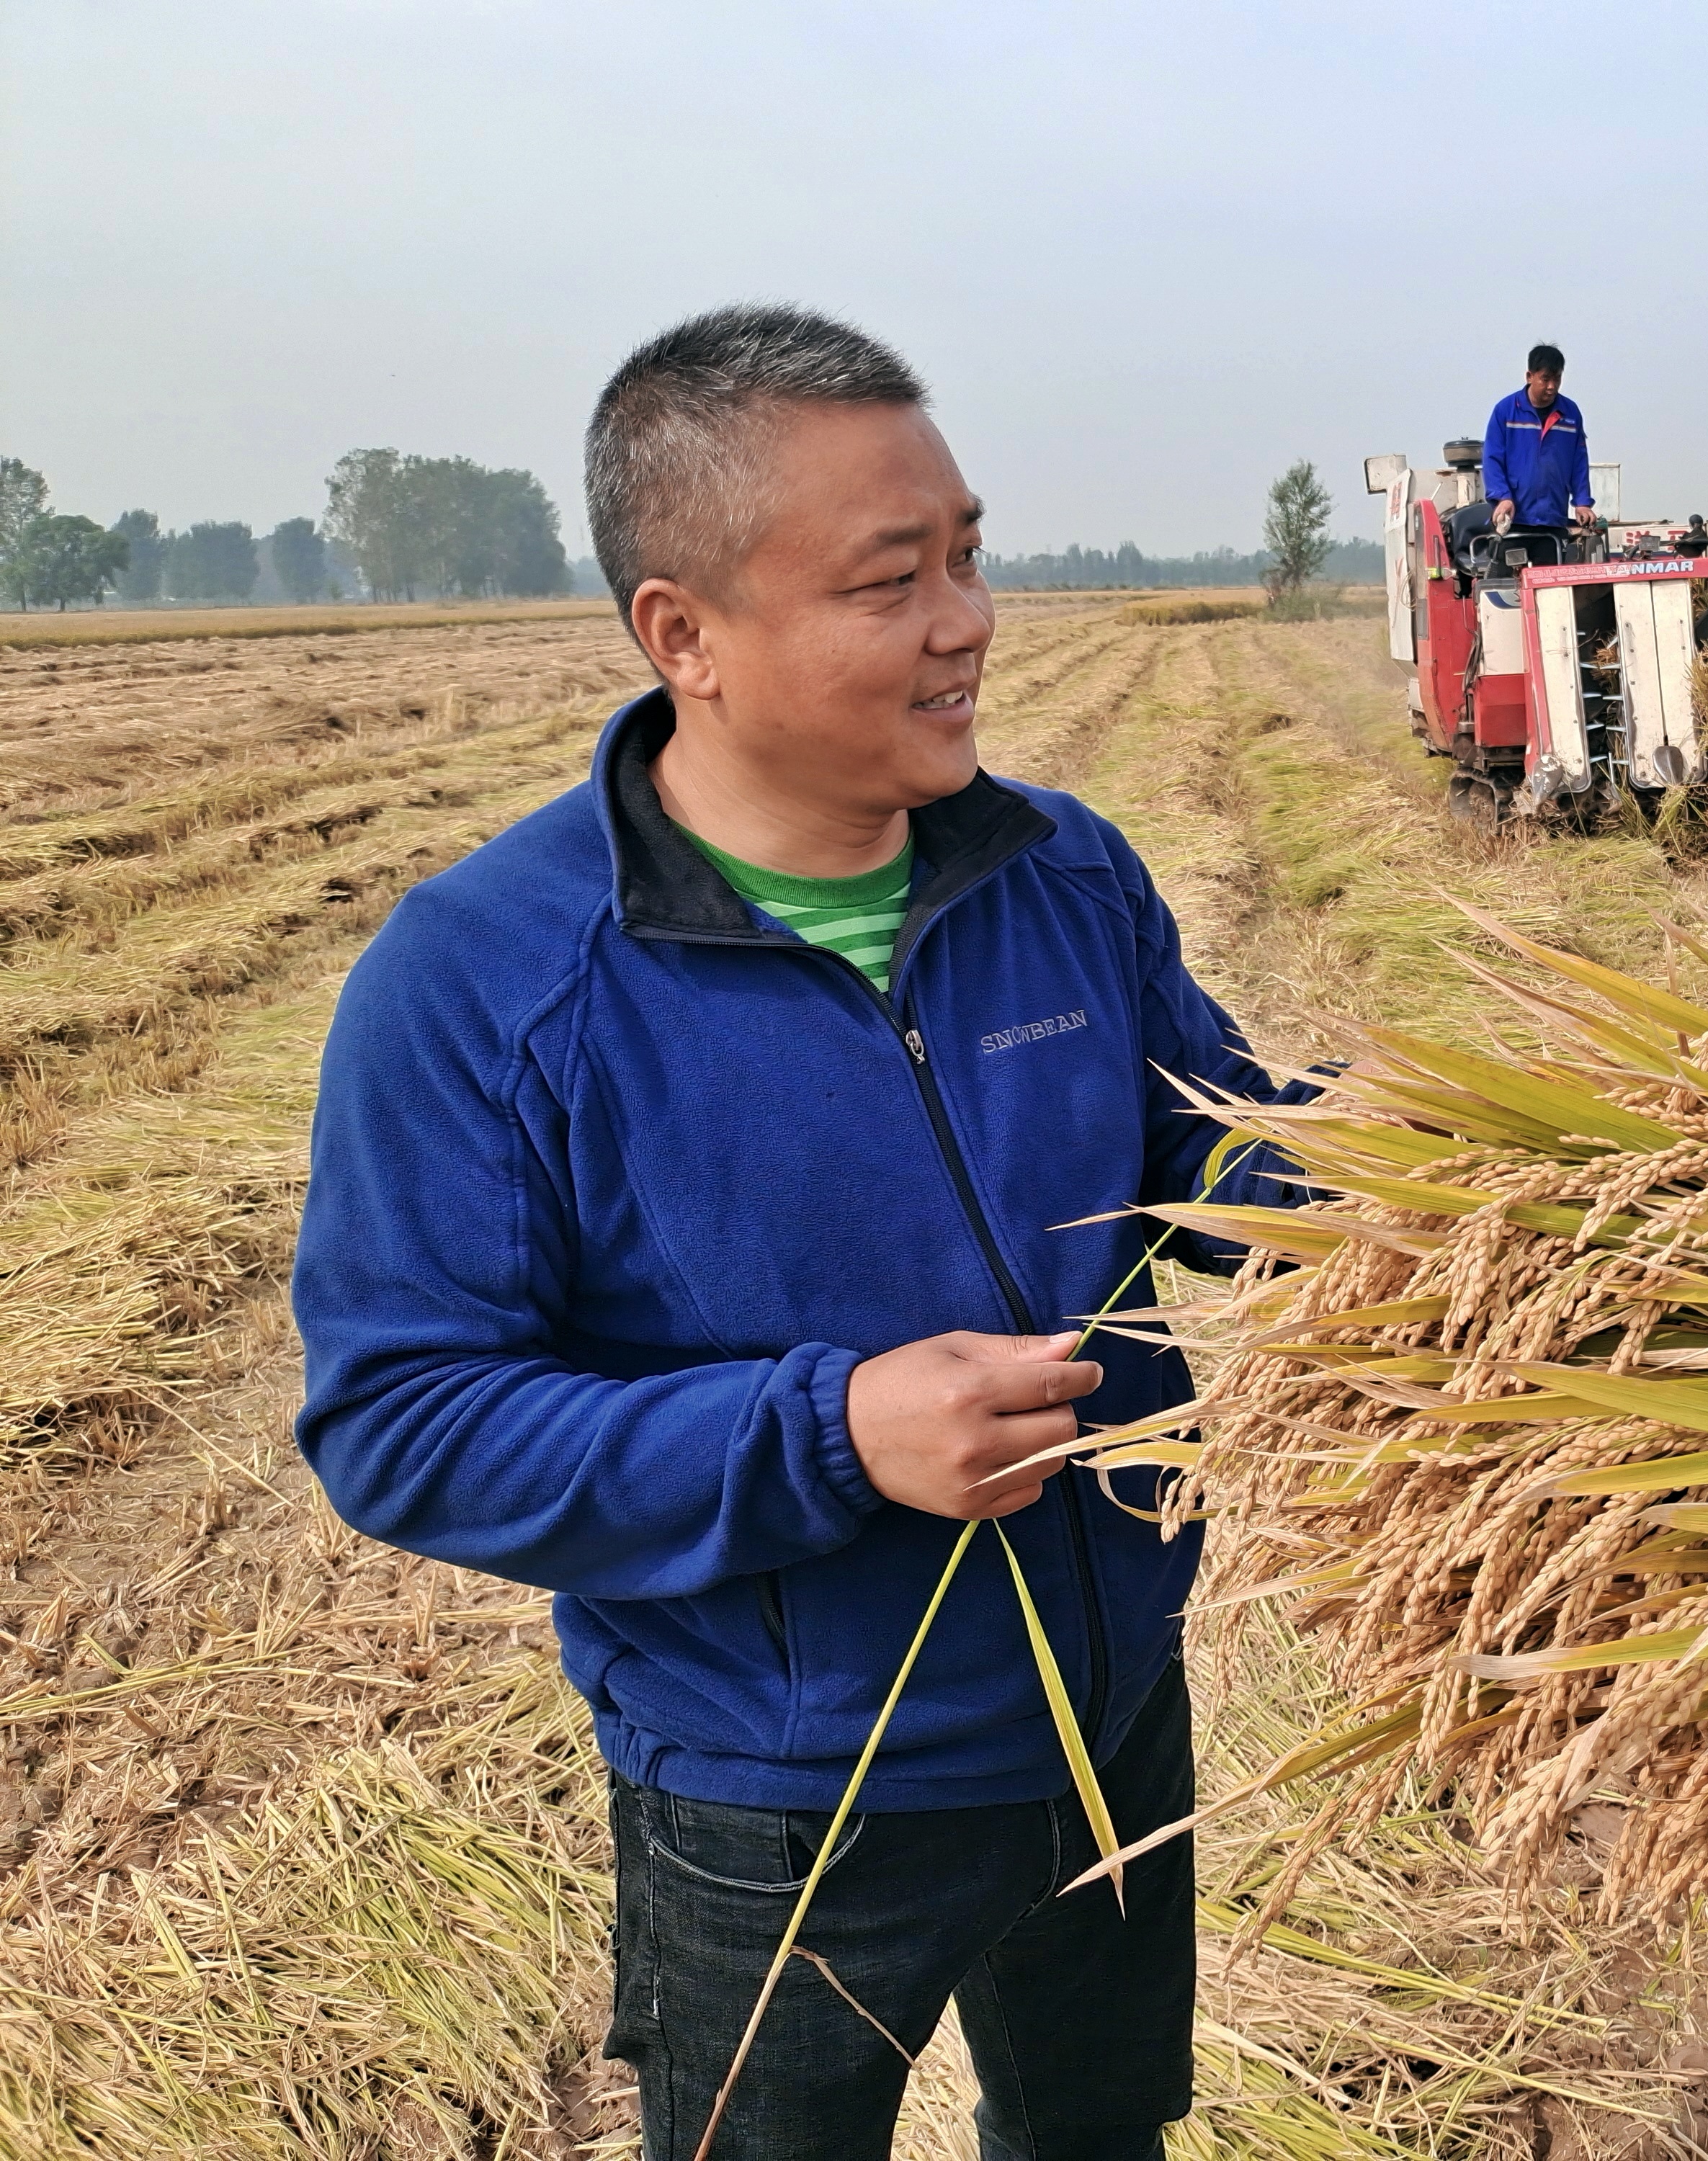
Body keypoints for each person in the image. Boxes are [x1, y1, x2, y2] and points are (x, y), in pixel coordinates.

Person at [292, 304, 1314, 2161]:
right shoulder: (487, 981)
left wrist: (1449, 1193)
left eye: (969, 555)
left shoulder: (1060, 872)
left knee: (1099, 2135)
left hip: (1111, 1711)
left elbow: (1210, 1139)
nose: (966, 620)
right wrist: (830, 1433)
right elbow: (403, 1420)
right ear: (682, 634)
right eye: (888, 580)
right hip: (778, 1796)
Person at [1482, 342, 1594, 536]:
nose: (1552, 387)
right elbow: (1492, 459)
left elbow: (1579, 461)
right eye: (1545, 379)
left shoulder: (1570, 413)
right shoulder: (1506, 411)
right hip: (1513, 517)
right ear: (1529, 376)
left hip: (1553, 517)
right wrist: (1503, 497)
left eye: (1557, 379)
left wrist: (1582, 502)